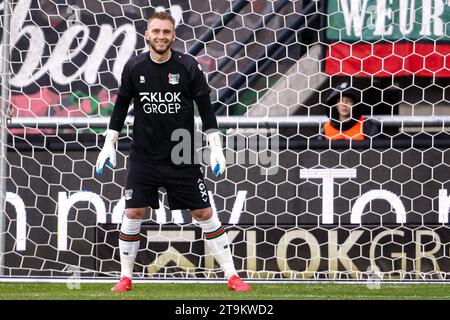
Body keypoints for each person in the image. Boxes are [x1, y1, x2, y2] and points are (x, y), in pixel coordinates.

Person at [95, 11, 252, 292]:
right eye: (156, 31)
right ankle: (126, 277)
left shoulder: (188, 66)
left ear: (174, 36)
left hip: (182, 155)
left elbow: (206, 110)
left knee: (204, 213)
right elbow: (120, 108)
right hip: (144, 156)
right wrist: (109, 144)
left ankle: (232, 276)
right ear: (147, 34)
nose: (161, 36)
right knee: (132, 213)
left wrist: (216, 148)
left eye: (166, 32)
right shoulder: (134, 67)